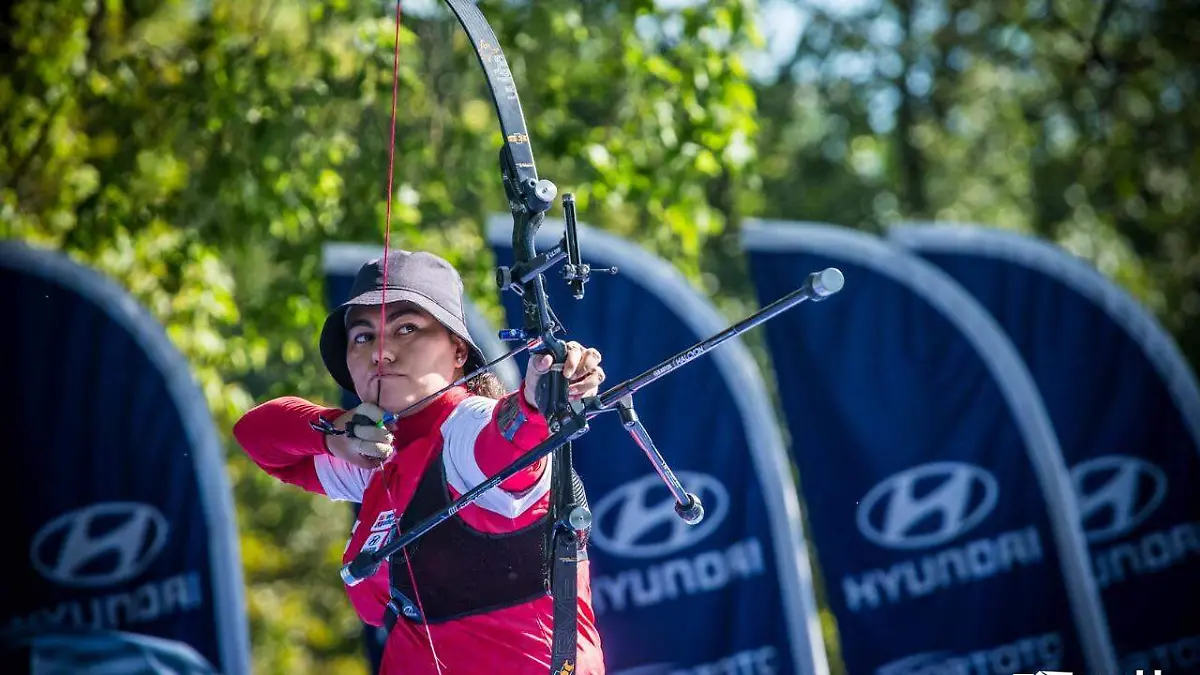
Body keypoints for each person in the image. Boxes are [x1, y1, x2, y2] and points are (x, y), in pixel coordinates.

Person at [233, 249, 607, 674]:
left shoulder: (465, 432)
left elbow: (508, 443)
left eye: (406, 328)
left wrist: (537, 400)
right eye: (362, 337)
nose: (381, 353)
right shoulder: (378, 455)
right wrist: (334, 431)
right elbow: (256, 436)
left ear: (458, 351)